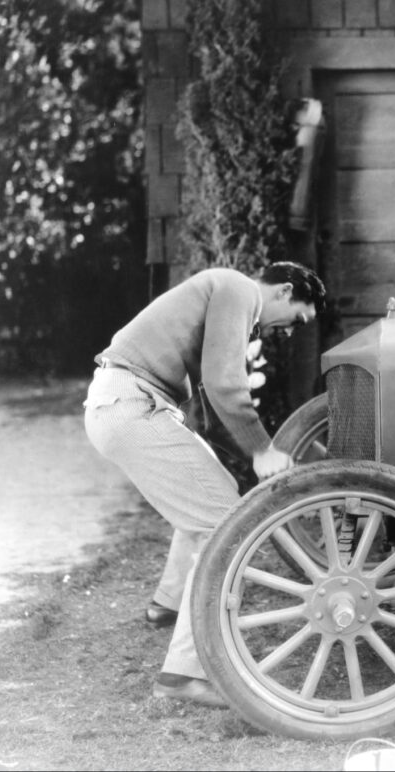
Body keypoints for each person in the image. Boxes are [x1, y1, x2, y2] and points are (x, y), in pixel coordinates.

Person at [83, 261, 326, 707]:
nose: (289, 332)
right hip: (131, 404)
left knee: (208, 490)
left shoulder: (224, 295)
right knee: (226, 526)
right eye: (296, 320)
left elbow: (211, 420)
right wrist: (261, 451)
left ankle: (169, 604)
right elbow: (224, 385)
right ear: (284, 291)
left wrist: (272, 451)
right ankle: (182, 676)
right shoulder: (238, 290)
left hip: (126, 402)